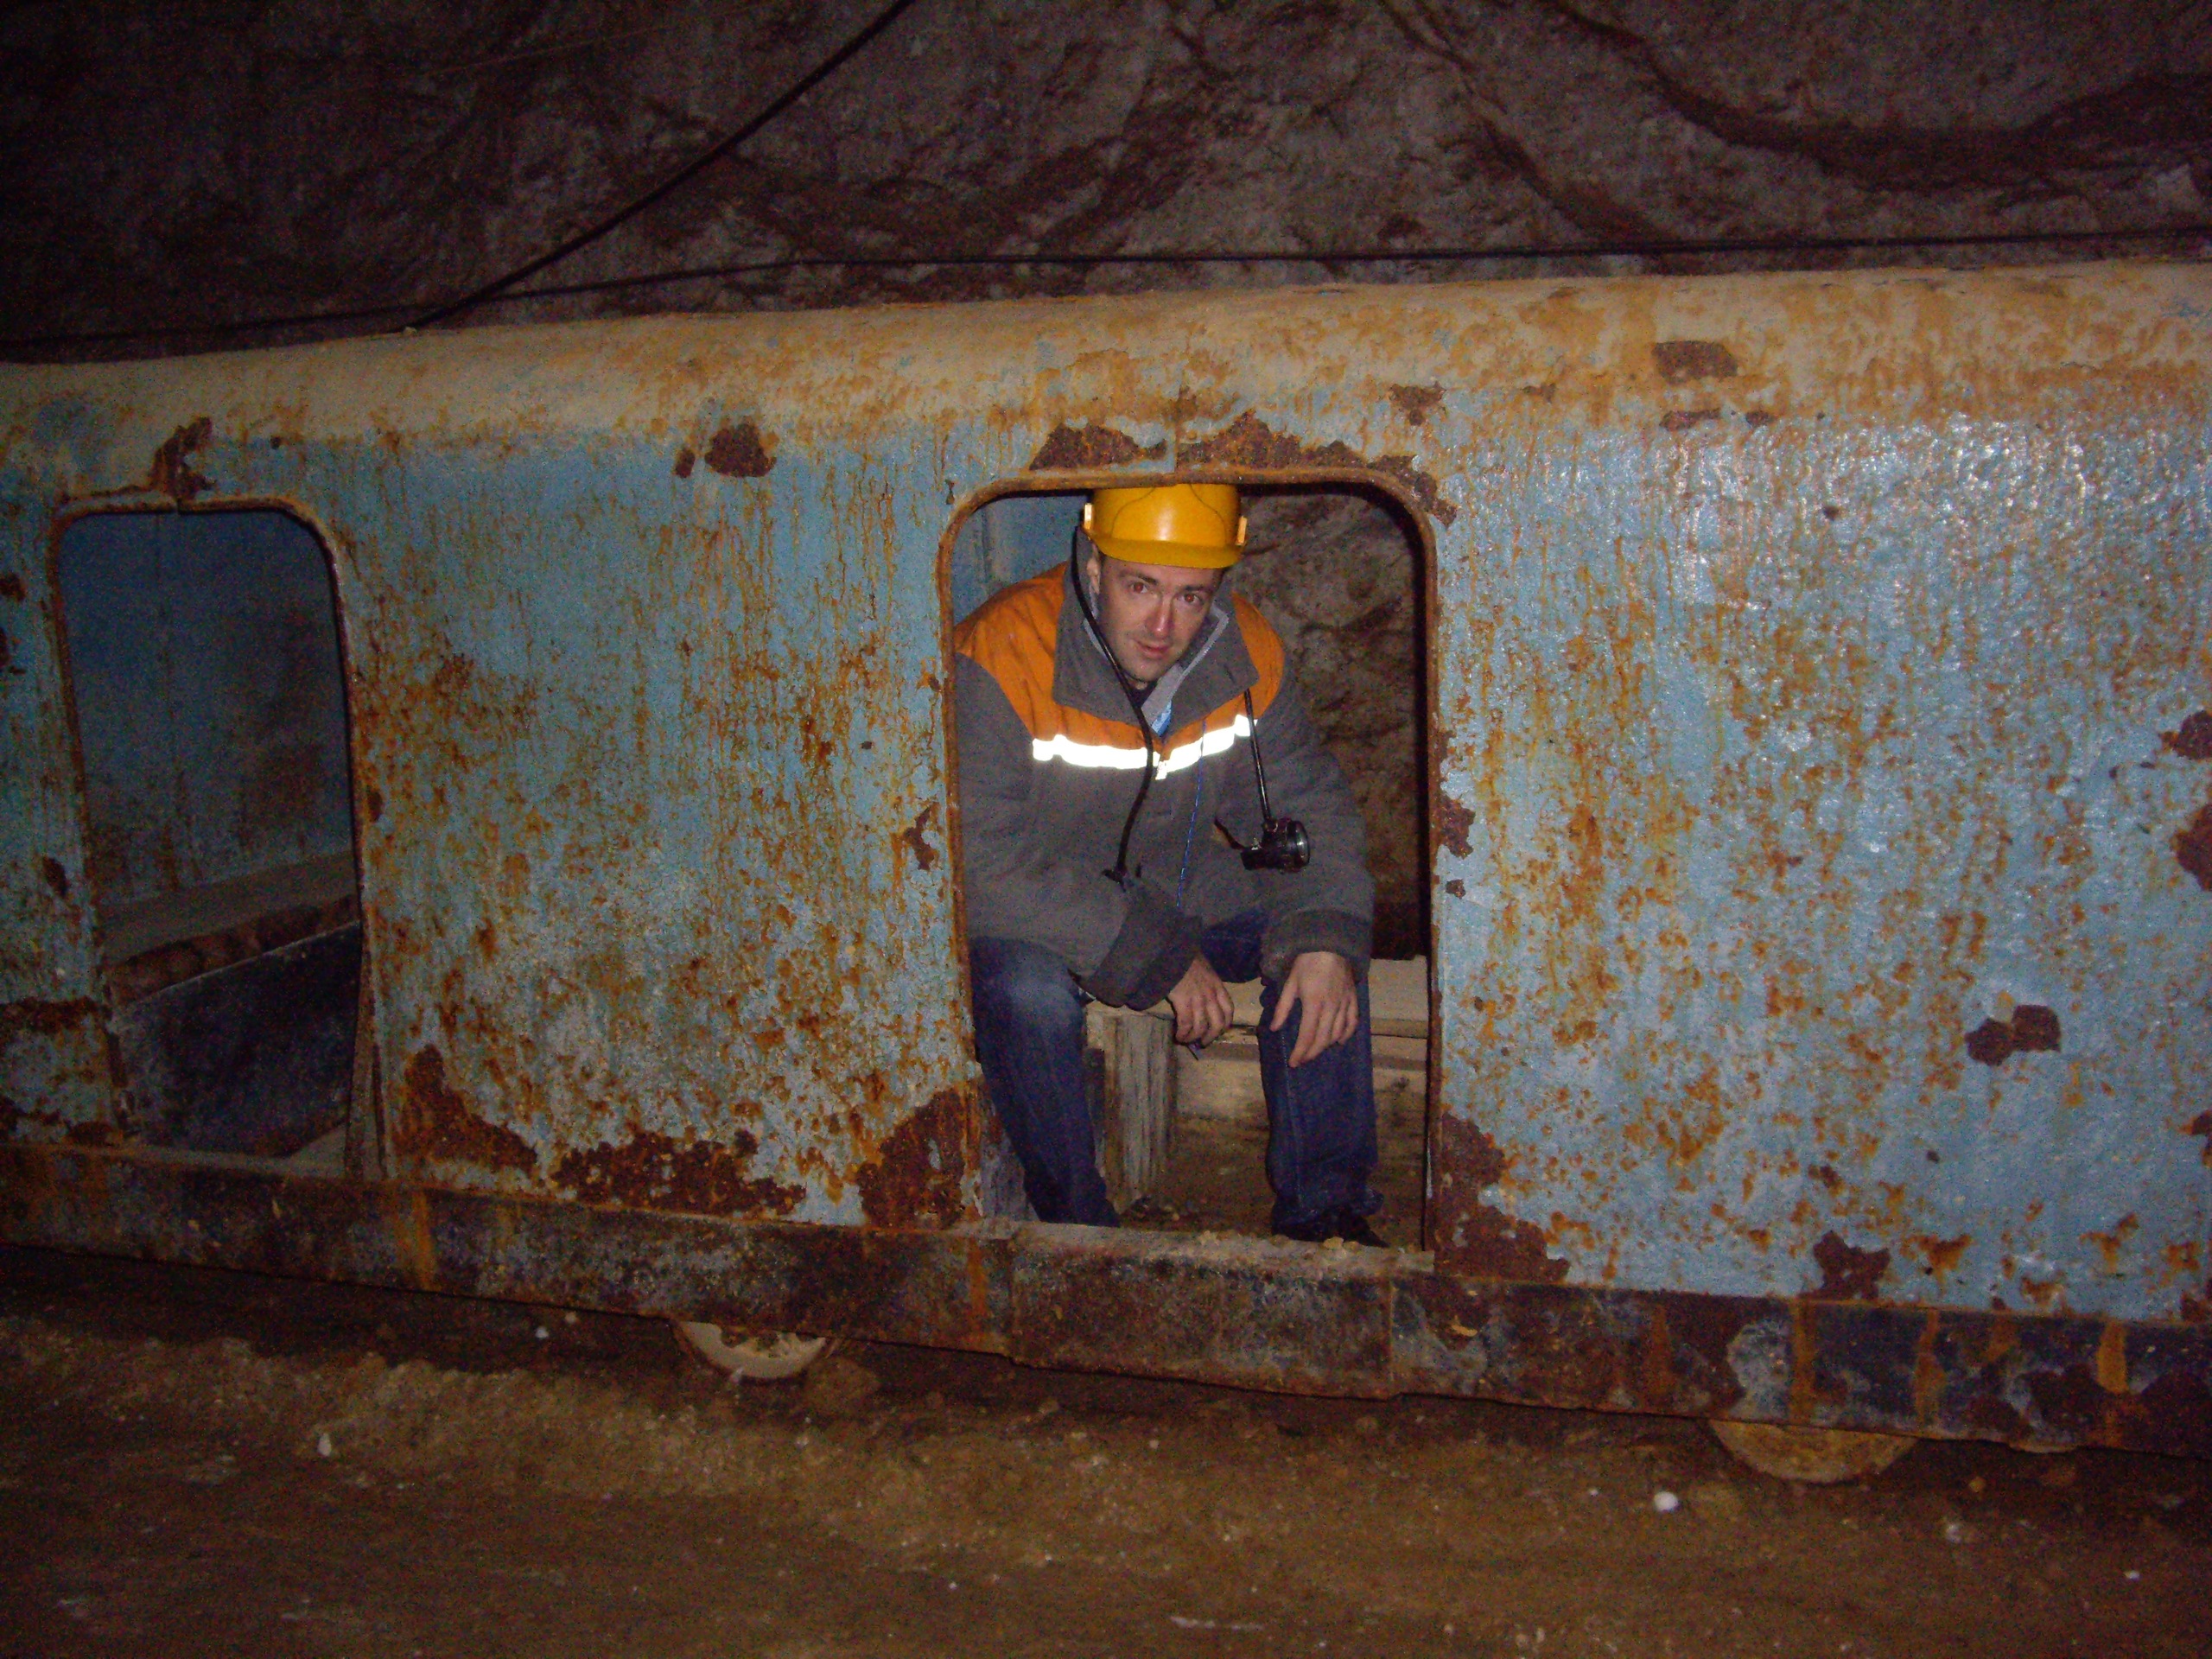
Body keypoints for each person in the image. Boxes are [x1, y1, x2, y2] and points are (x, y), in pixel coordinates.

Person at [953, 481, 1383, 1243]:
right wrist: (1154, 953)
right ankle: (1083, 1238)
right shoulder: (1001, 650)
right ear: (1094, 567)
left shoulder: (1246, 653)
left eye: (1191, 596)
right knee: (1023, 991)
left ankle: (1327, 1218)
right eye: (1140, 587)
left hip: (1175, 880)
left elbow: (1307, 801)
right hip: (1042, 910)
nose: (1163, 625)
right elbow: (980, 865)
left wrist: (1324, 935)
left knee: (1319, 941)